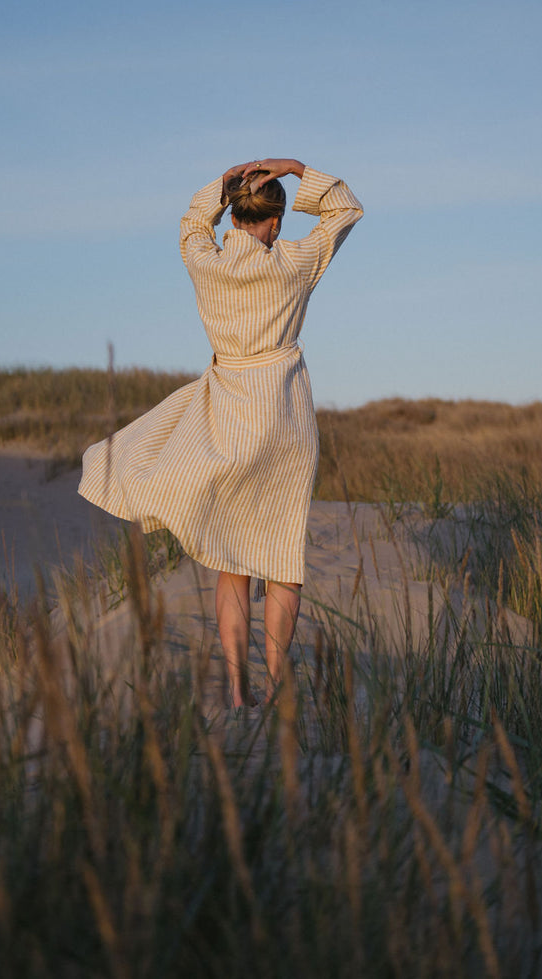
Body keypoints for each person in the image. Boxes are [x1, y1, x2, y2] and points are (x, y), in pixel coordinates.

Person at [78, 158, 363, 707]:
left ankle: (236, 691)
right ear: (276, 221)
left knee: (232, 564)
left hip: (228, 419)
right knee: (282, 561)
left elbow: (190, 223)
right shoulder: (295, 261)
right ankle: (277, 687)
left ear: (233, 213)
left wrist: (221, 183)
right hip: (285, 423)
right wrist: (299, 169)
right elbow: (345, 208)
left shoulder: (204, 263)